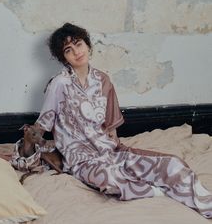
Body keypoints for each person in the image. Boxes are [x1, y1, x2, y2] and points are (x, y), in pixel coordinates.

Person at [33, 23, 212, 218]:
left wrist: (121, 155)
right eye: (69, 50)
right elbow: (43, 124)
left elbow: (111, 128)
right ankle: (162, 192)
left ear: (87, 45)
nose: (76, 52)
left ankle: (205, 205)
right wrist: (32, 148)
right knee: (110, 179)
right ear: (63, 57)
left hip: (110, 151)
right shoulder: (59, 84)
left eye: (79, 44)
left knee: (173, 164)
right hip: (81, 160)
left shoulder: (103, 80)